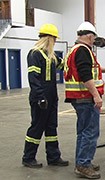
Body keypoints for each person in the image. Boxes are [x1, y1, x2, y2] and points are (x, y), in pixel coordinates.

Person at [64, 21, 105, 179]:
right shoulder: (83, 50)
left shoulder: (75, 49)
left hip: (78, 98)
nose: (95, 40)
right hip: (85, 98)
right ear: (89, 36)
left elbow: (86, 68)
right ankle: (83, 164)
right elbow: (85, 75)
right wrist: (96, 95)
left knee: (83, 132)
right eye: (93, 37)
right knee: (90, 132)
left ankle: (82, 162)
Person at [22, 24, 69, 168]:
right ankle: (28, 157)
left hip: (52, 97)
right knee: (37, 127)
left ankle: (53, 157)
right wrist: (40, 97)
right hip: (40, 97)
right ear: (49, 38)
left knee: (51, 127)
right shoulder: (34, 54)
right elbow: (34, 78)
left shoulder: (51, 56)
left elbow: (65, 65)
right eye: (54, 39)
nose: (55, 42)